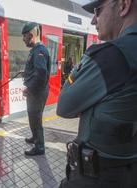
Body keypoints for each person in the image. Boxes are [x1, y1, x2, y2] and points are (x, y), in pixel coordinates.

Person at [57, 0, 137, 187]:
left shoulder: (110, 56)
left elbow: (64, 106)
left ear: (123, 5)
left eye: (97, 11)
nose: (93, 20)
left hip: (98, 177)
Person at [21, 22, 51, 156]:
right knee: (32, 116)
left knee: (36, 119)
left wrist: (30, 89)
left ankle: (40, 147)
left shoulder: (40, 51)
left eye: (24, 37)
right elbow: (36, 70)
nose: (23, 39)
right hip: (35, 92)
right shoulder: (35, 50)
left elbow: (41, 74)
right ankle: (34, 137)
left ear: (31, 35)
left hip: (37, 92)